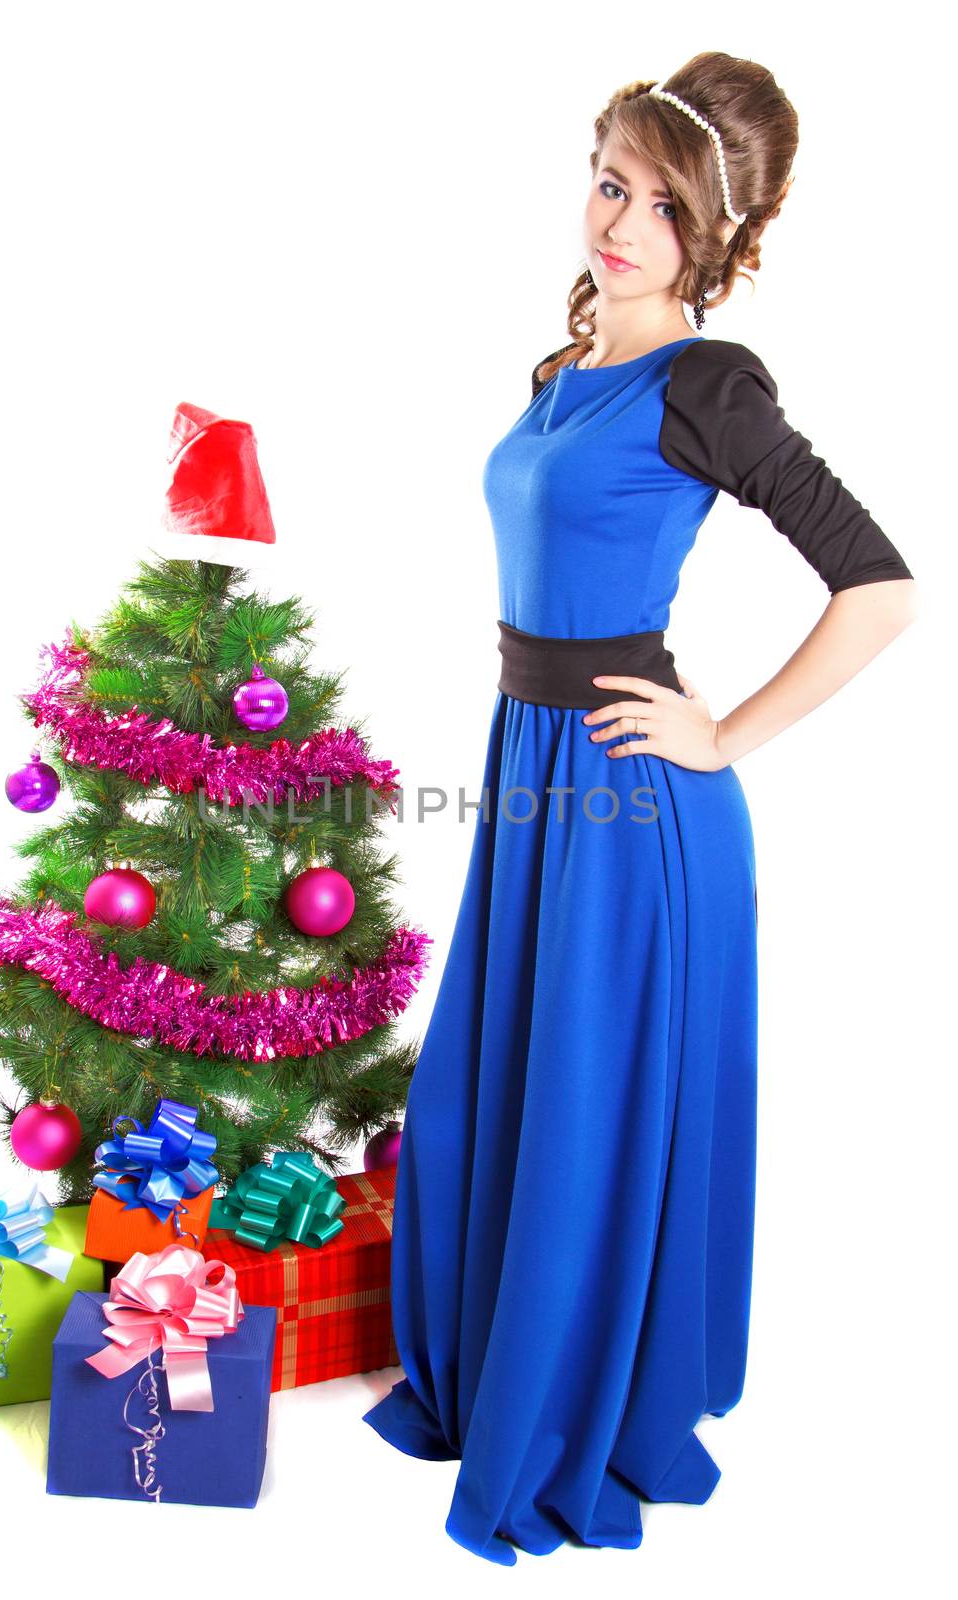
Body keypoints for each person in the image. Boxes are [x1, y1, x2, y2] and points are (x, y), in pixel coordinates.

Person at [361, 51, 917, 1565]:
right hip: (531, 775)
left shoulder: (709, 386)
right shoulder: (558, 375)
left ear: (716, 239)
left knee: (591, 1110)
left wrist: (724, 733)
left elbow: (879, 588)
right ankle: (492, 1367)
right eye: (610, 182)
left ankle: (575, 1407)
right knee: (508, 1081)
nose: (618, 224)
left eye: (662, 207)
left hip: (629, 802)